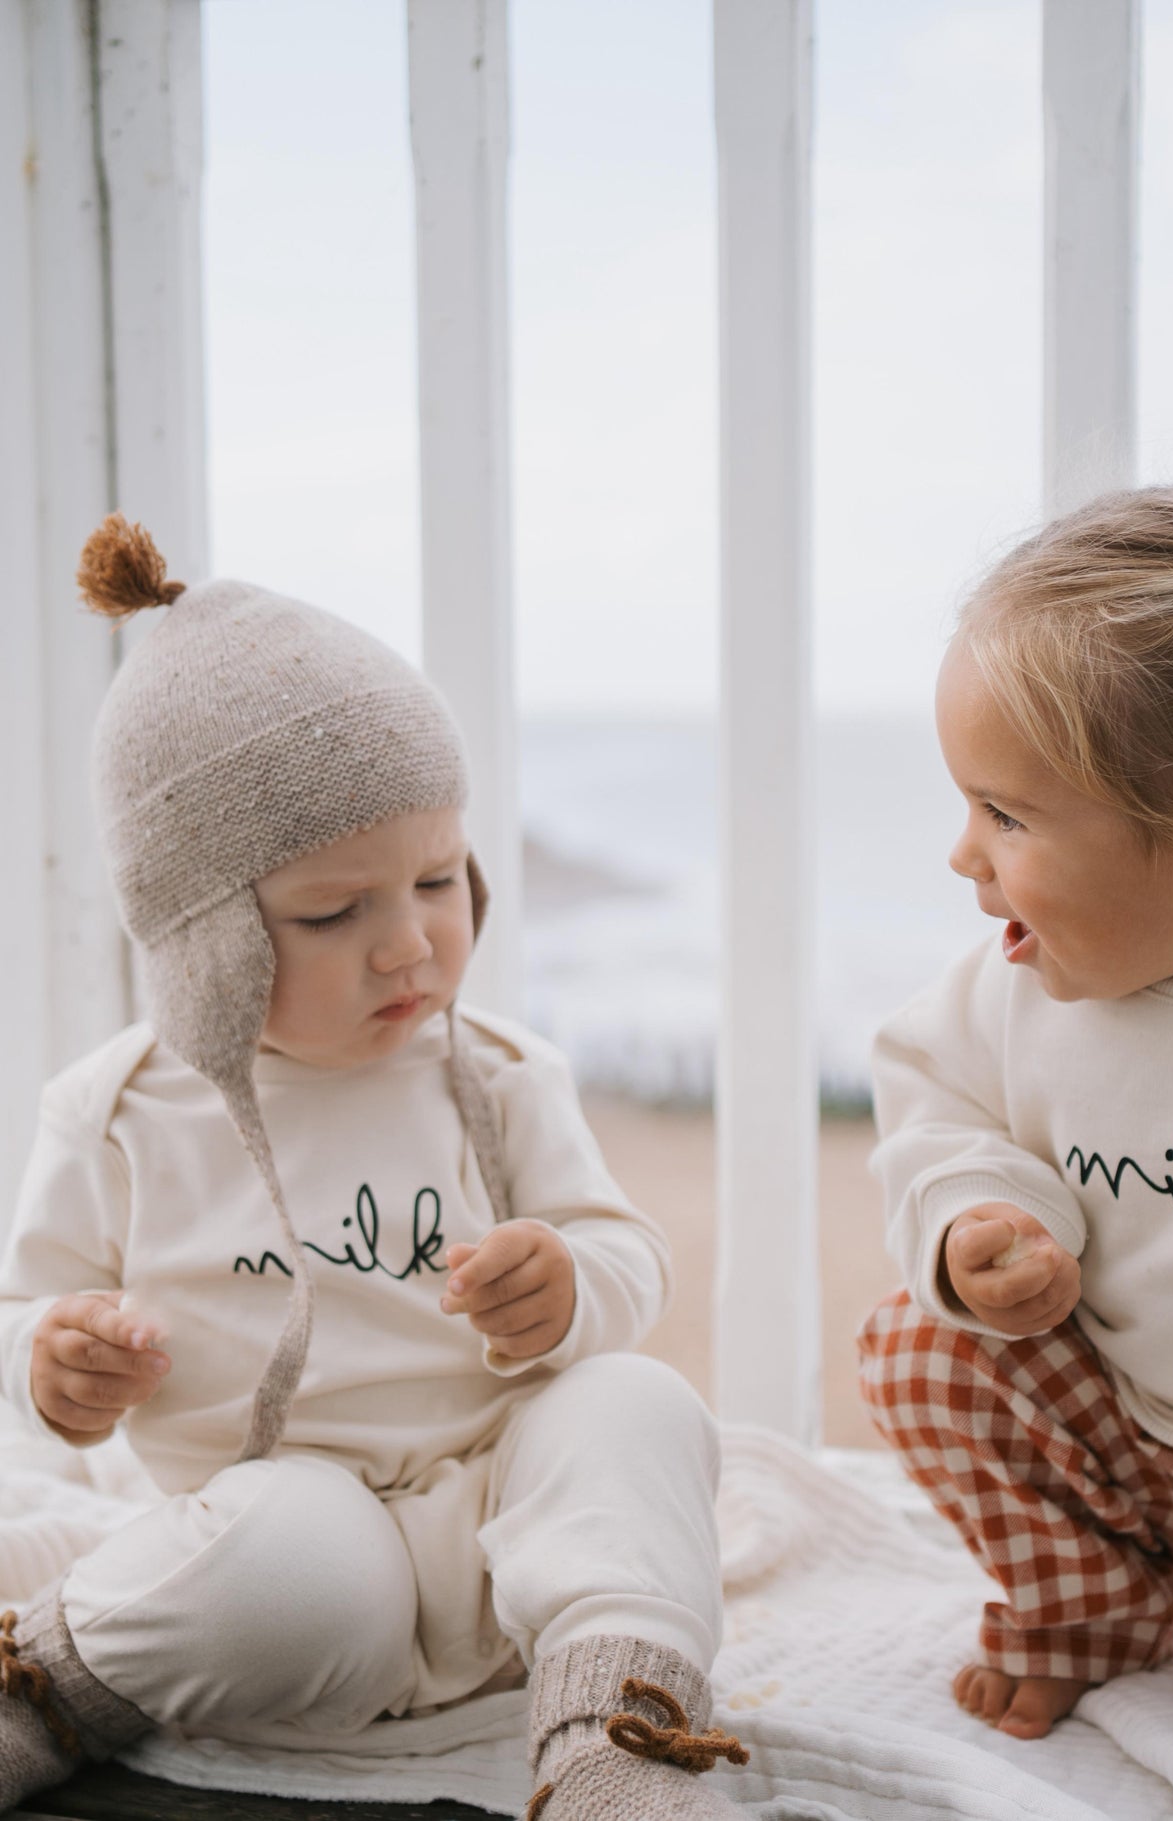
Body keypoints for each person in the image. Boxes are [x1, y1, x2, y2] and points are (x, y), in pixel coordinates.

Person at [0, 515, 749, 1820]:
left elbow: (629, 1248)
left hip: (507, 1544)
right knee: (284, 1552)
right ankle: (44, 1691)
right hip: (287, 1565)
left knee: (636, 1408)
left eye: (438, 880)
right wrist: (53, 1365)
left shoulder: (501, 1073)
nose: (410, 945)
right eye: (335, 912)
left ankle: (612, 1737)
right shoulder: (116, 1114)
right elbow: (27, 1315)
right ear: (201, 943)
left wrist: (571, 1283)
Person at [857, 479, 1173, 1753]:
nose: (964, 857)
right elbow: (937, 1100)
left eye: (1007, 816)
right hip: (1115, 1438)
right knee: (922, 1349)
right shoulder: (1017, 981)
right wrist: (986, 1214)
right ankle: (1087, 1608)